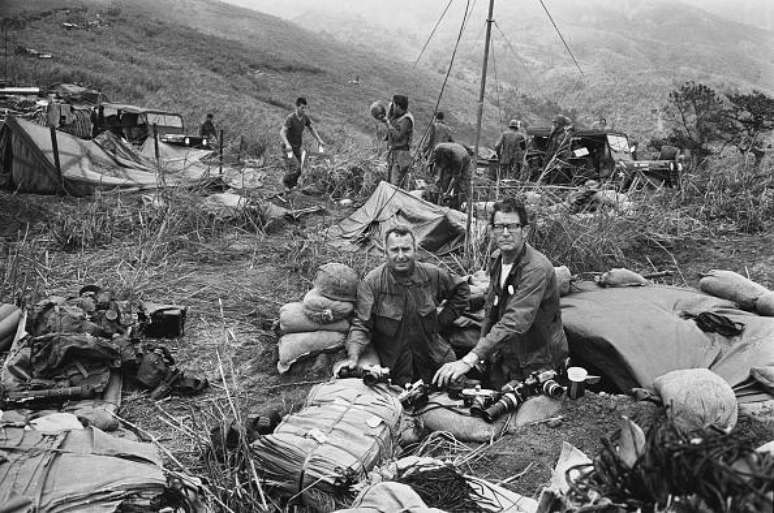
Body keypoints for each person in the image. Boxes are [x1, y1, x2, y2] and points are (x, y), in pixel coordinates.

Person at [433, 198, 568, 390]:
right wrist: (481, 349)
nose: (505, 233)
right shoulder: (498, 258)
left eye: (512, 226)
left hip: (537, 358)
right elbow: (491, 308)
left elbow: (515, 320)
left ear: (525, 231)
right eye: (499, 227)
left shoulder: (536, 269)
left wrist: (469, 359)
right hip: (508, 352)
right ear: (492, 231)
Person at [345, 225, 470, 387]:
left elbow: (461, 290)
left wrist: (442, 321)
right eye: (394, 250)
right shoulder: (372, 283)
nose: (401, 256)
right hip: (395, 368)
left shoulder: (432, 275)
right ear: (385, 253)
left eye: (406, 249)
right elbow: (362, 324)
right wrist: (353, 356)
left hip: (434, 359)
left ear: (415, 250)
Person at [280, 97, 325, 190]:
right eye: (302, 108)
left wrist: (319, 140)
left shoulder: (305, 118)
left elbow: (311, 128)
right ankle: (284, 183)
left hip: (297, 148)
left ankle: (292, 185)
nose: (304, 110)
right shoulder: (291, 118)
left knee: (301, 168)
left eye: (305, 108)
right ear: (297, 107)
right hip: (288, 148)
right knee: (295, 167)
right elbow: (282, 132)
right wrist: (287, 144)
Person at [380, 94, 414, 187]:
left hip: (401, 156)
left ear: (399, 106)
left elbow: (398, 136)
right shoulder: (397, 116)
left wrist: (388, 124)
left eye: (394, 105)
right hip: (393, 154)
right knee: (388, 182)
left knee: (395, 184)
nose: (392, 107)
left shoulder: (406, 120)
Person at [427, 142, 470, 210]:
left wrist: (447, 192)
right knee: (444, 180)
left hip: (464, 158)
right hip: (449, 155)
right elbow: (440, 166)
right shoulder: (437, 150)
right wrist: (439, 179)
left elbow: (455, 178)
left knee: (461, 185)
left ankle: (457, 206)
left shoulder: (457, 159)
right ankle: (441, 201)